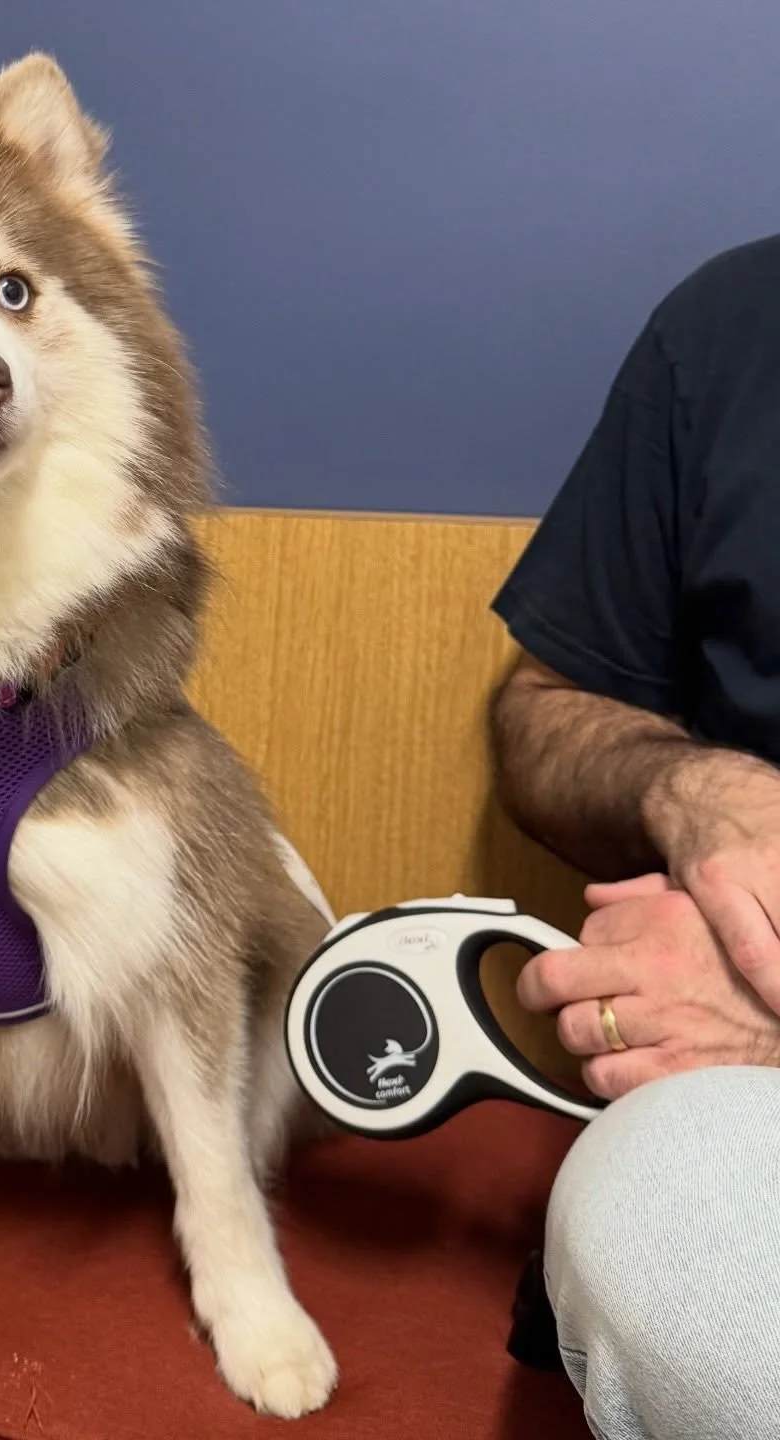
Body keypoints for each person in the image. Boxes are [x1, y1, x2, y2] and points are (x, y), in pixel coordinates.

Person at [490, 235, 780, 1440]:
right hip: (733, 1106)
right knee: (665, 1220)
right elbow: (539, 713)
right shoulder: (728, 326)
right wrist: (688, 785)